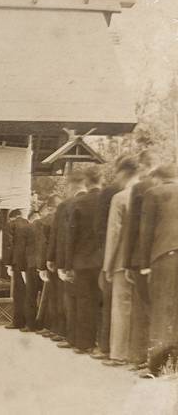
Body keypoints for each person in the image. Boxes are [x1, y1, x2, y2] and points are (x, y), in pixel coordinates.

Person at [138, 164, 178, 377]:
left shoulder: (154, 193)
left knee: (161, 312)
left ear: (158, 178)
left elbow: (146, 232)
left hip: (165, 258)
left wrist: (144, 265)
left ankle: (157, 367)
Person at [101, 157, 140, 366]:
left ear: (123, 173)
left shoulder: (120, 197)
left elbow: (114, 234)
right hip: (145, 261)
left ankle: (119, 354)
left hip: (121, 262)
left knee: (121, 308)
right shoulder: (149, 193)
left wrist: (108, 265)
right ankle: (139, 355)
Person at [123, 149, 160, 370]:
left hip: (142, 258)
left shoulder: (140, 188)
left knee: (143, 308)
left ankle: (143, 358)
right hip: (166, 255)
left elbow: (132, 228)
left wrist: (127, 262)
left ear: (142, 166)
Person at [47, 170, 87, 349]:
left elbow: (59, 236)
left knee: (70, 300)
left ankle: (71, 337)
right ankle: (88, 340)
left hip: (70, 260)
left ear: (71, 185)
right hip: (94, 261)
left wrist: (53, 259)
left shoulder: (66, 205)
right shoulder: (100, 200)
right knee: (90, 301)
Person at [65, 166, 103, 354]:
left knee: (84, 302)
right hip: (103, 260)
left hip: (81, 261)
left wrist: (68, 264)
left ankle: (84, 343)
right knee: (103, 302)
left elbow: (71, 236)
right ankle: (102, 343)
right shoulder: (108, 199)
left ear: (86, 182)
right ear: (101, 180)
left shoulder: (78, 203)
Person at [35, 195, 62, 337]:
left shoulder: (43, 222)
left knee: (51, 296)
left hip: (50, 263)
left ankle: (50, 327)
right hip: (64, 263)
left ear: (49, 207)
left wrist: (42, 267)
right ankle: (60, 329)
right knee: (62, 297)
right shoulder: (65, 219)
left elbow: (42, 246)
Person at [4, 209, 30, 330]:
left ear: (12, 218)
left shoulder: (11, 225)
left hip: (17, 262)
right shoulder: (29, 224)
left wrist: (8, 264)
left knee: (18, 293)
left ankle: (18, 322)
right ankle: (28, 321)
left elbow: (9, 245)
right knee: (28, 292)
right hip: (29, 262)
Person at [23, 210, 42, 332]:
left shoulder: (28, 228)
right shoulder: (45, 225)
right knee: (45, 295)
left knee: (30, 295)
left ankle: (31, 325)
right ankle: (44, 324)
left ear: (30, 219)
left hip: (31, 265)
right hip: (43, 265)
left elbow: (23, 249)